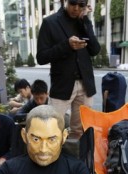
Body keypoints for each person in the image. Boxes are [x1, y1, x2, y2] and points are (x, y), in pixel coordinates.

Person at [36, 0, 100, 139]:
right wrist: (67, 45)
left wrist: (86, 22)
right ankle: (53, 159)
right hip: (62, 84)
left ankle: (73, 159)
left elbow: (95, 50)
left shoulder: (83, 22)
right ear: (65, 1)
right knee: (52, 129)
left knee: (80, 131)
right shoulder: (50, 22)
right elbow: (41, 57)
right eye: (73, 3)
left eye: (81, 5)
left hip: (85, 85)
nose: (76, 8)